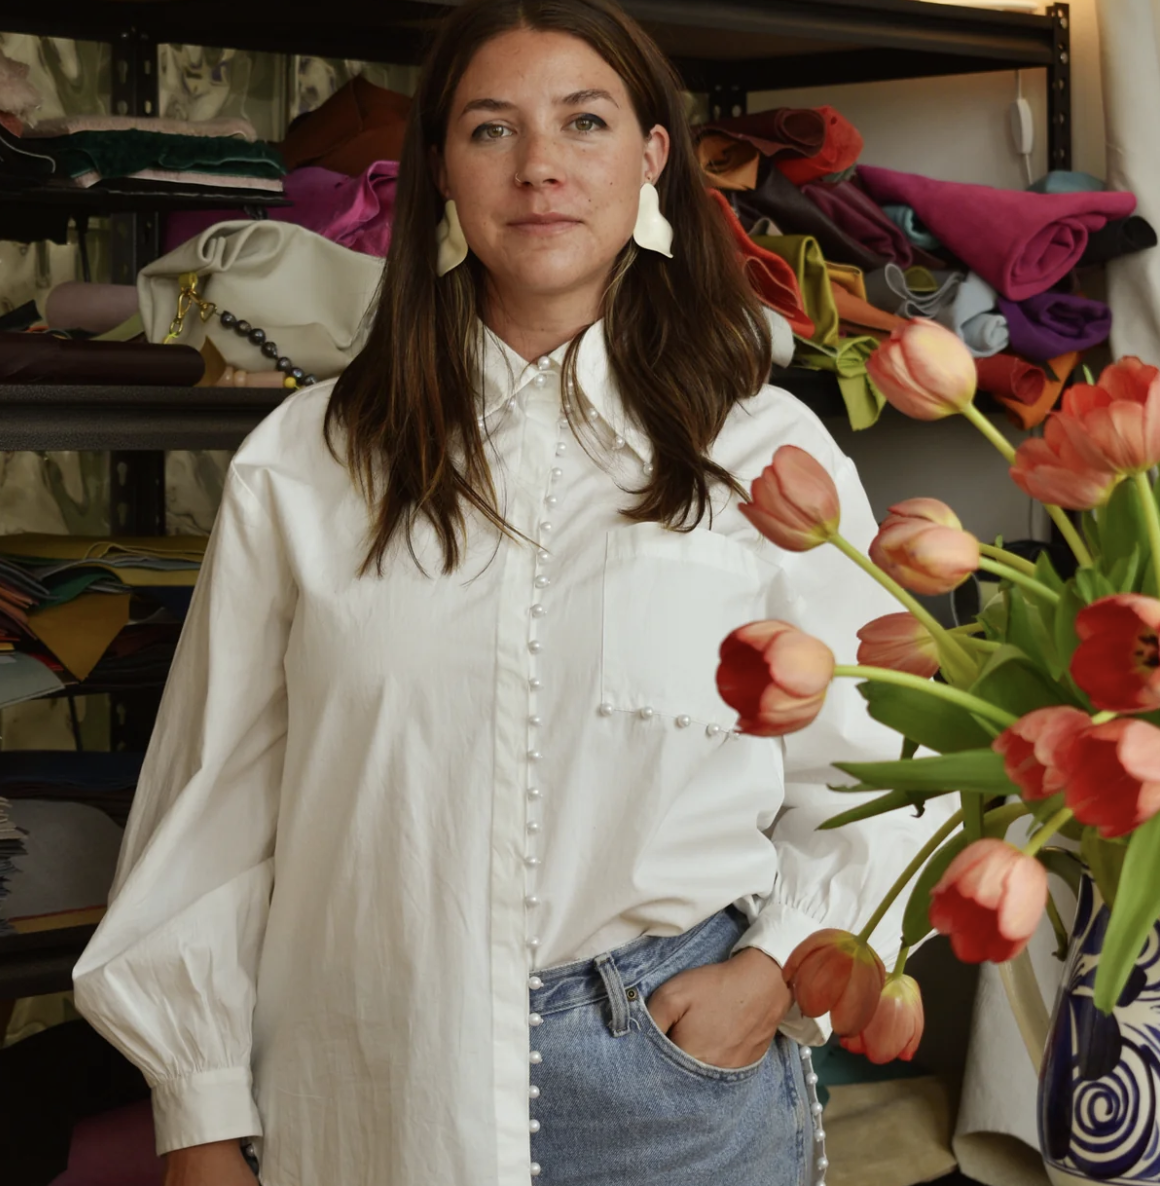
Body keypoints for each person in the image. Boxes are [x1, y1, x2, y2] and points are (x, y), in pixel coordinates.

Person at [73, 2, 950, 1184]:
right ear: (438, 166)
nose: (539, 166)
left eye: (582, 122)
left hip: (677, 1088)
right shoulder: (307, 462)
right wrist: (196, 1112)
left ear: (649, 155)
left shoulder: (760, 452)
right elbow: (214, 809)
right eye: (491, 129)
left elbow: (889, 758)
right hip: (373, 1084)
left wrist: (777, 965)